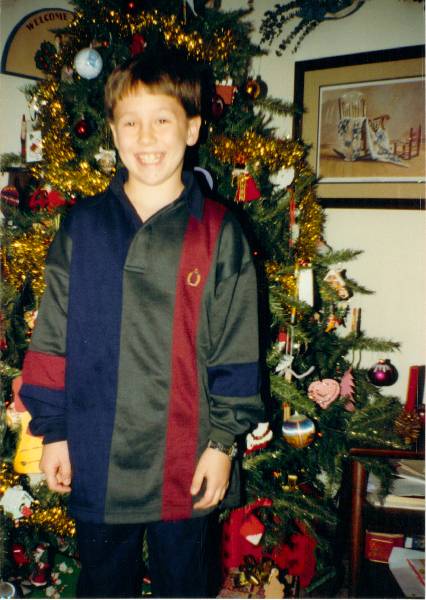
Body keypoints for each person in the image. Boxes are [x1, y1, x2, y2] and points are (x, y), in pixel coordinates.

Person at [21, 47, 264, 599]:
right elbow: (51, 336)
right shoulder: (81, 227)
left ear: (192, 128)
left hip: (188, 457)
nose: (146, 137)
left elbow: (237, 349)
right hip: (96, 454)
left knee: (186, 586)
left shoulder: (219, 232)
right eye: (130, 122)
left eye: (162, 120)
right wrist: (53, 432)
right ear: (112, 132)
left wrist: (222, 444)